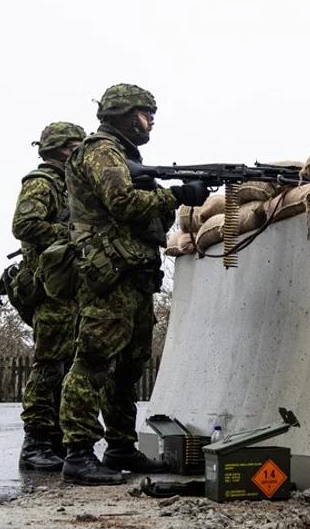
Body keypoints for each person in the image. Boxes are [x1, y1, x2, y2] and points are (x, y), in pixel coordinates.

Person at [59, 83, 209, 485]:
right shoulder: (101, 150)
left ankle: (121, 446)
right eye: (146, 113)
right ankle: (77, 452)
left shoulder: (124, 156)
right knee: (93, 362)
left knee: (128, 367)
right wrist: (176, 196)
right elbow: (121, 203)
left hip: (133, 274)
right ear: (125, 114)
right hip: (110, 276)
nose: (151, 121)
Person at [13, 121, 85, 471]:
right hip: (48, 288)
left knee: (68, 363)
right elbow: (24, 225)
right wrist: (70, 231)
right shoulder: (42, 182)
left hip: (68, 287)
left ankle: (54, 439)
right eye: (77, 146)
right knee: (50, 364)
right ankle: (36, 442)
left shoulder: (72, 186)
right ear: (62, 149)